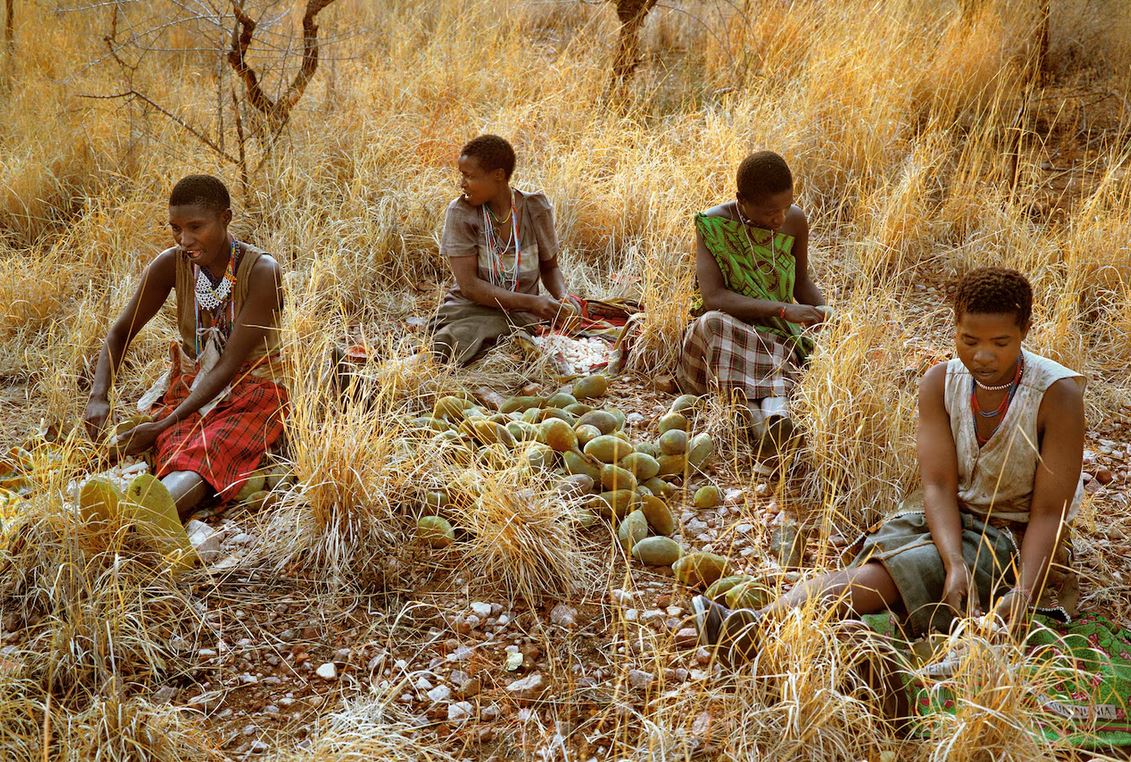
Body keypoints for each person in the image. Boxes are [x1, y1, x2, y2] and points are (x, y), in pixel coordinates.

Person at [692, 267, 1085, 660]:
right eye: (969, 340)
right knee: (886, 559)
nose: (982, 356)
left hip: (1014, 536)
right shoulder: (940, 383)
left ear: (1026, 330)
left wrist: (1023, 592)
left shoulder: (1056, 395)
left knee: (891, 574)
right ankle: (767, 629)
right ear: (955, 328)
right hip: (950, 515)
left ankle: (754, 628)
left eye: (1001, 343)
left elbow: (1051, 512)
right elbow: (937, 487)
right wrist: (954, 563)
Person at [83, 174, 286, 522]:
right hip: (193, 388)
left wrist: (161, 426)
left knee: (209, 448)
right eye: (175, 228)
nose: (184, 239)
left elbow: (227, 366)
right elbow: (119, 333)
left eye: (195, 226)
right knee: (172, 444)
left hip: (254, 389)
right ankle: (136, 510)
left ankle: (138, 519)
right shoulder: (171, 264)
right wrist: (98, 396)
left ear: (226, 218)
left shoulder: (262, 272)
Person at [676, 150, 828, 452]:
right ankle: (761, 423)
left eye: (787, 206)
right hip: (722, 336)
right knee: (714, 323)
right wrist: (783, 310)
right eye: (770, 211)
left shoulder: (795, 221)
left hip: (775, 335)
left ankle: (771, 421)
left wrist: (822, 313)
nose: (780, 218)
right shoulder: (713, 224)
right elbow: (714, 298)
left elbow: (801, 282)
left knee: (778, 345)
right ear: (741, 200)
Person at [429, 134, 580, 365]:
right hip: (471, 309)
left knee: (519, 344)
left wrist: (563, 296)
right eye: (462, 175)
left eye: (469, 176)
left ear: (498, 175)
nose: (462, 184)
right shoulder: (461, 213)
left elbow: (550, 268)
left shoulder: (535, 208)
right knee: (457, 339)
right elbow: (469, 287)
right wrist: (532, 302)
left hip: (522, 316)